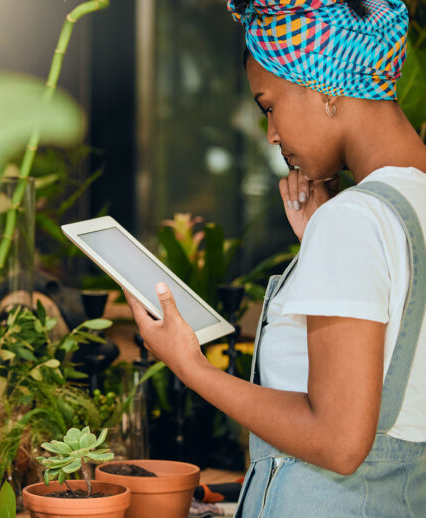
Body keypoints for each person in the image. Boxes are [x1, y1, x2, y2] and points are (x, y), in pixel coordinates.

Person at [124, 0, 426, 516]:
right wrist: (322, 249)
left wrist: (189, 365)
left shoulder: (353, 221)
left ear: (326, 90)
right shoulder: (402, 208)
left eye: (268, 106)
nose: (272, 135)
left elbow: (338, 442)